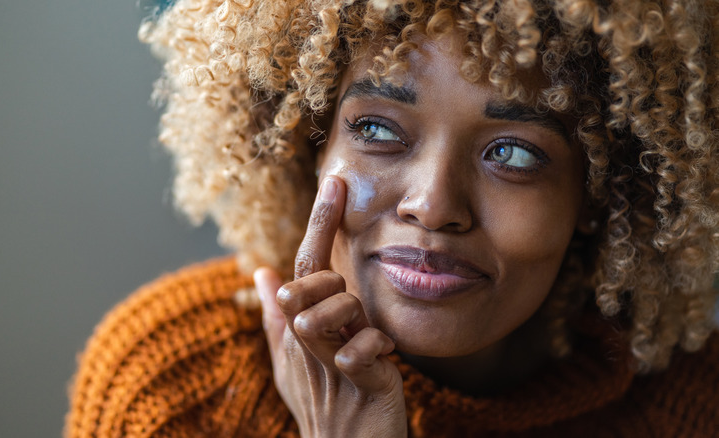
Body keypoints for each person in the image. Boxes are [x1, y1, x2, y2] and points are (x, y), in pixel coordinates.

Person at [66, 0, 719, 436]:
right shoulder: (175, 394)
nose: (433, 206)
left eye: (514, 153)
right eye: (377, 128)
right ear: (309, 147)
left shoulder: (685, 405)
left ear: (601, 189)